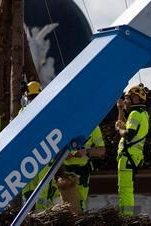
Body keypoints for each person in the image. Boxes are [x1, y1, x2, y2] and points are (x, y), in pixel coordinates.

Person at [20, 80, 57, 211]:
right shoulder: (48, 111)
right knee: (43, 190)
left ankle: (30, 216)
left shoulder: (23, 112)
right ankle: (41, 215)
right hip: (44, 157)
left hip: (28, 159)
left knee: (29, 191)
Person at [116, 83, 150, 215]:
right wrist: (120, 110)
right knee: (127, 189)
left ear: (135, 99)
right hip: (133, 157)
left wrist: (119, 130)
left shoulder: (135, 114)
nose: (125, 101)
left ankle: (126, 217)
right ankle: (126, 216)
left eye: (127, 98)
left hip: (127, 157)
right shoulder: (143, 113)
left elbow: (128, 135)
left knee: (125, 189)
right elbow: (126, 126)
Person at [59, 123, 106, 213]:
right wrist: (64, 154)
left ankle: (79, 217)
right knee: (64, 203)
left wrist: (87, 151)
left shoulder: (94, 127)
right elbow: (56, 148)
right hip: (65, 170)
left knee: (80, 202)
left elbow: (101, 150)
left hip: (82, 171)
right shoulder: (65, 124)